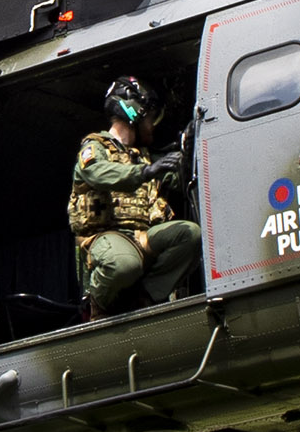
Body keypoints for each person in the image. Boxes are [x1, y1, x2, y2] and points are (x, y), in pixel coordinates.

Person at [70, 75, 201, 315]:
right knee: (123, 263)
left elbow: (179, 180)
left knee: (189, 235)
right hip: (106, 237)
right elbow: (97, 173)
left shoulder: (145, 157)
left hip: (141, 238)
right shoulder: (94, 147)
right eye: (151, 118)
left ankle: (144, 297)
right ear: (136, 113)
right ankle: (96, 304)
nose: (153, 125)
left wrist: (189, 151)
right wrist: (146, 171)